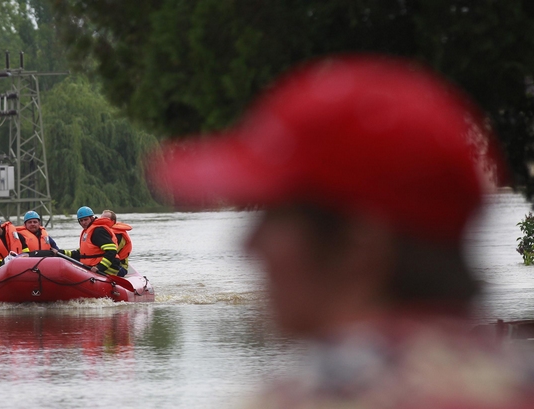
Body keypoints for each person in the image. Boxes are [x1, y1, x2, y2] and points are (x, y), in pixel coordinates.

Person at [149, 54, 534, 408]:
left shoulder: (303, 400)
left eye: (276, 216)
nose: (248, 244)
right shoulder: (517, 380)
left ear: (359, 245)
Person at [56, 206, 122, 276]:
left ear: (92, 218)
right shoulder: (88, 231)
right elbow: (81, 253)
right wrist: (62, 252)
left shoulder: (98, 231)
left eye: (85, 219)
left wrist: (99, 267)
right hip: (92, 266)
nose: (83, 223)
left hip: (107, 268)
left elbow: (112, 251)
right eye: (81, 221)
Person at [100, 209, 132, 275]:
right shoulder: (102, 232)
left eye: (106, 219)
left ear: (113, 221)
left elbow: (111, 253)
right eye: (101, 219)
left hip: (119, 267)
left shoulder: (118, 236)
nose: (102, 221)